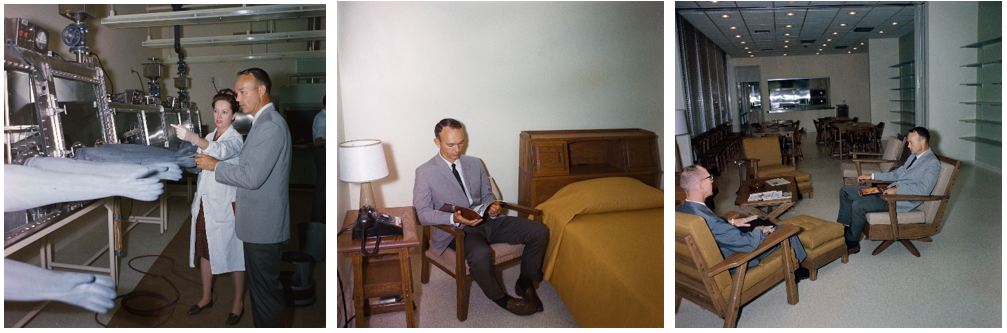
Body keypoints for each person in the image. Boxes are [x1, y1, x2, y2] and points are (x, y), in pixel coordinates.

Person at [412, 118, 548, 316]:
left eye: (461, 142)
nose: (457, 149)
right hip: (458, 231)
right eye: (450, 144)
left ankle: (525, 283)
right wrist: (455, 219)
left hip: (488, 222)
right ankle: (500, 298)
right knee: (480, 254)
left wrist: (492, 206)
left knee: (539, 231)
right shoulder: (425, 172)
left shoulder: (475, 163)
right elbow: (422, 213)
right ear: (437, 142)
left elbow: (487, 195)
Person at [194, 68, 291, 328]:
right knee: (262, 293)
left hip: (263, 227)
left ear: (262, 90)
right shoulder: (262, 123)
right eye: (237, 92)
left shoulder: (270, 126)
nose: (238, 97)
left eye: (243, 91)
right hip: (257, 223)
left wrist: (215, 166)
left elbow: (251, 178)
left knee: (265, 295)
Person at [172, 89, 246, 325]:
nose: (219, 116)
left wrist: (193, 138)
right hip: (205, 202)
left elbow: (220, 152)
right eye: (216, 111)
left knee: (235, 254)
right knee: (205, 250)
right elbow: (202, 158)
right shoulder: (210, 134)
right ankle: (206, 297)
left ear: (234, 115)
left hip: (226, 204)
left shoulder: (235, 139)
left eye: (225, 111)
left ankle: (238, 302)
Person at [675, 165, 810, 280]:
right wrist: (760, 231)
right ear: (699, 184)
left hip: (716, 249)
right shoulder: (711, 223)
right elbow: (748, 244)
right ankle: (798, 270)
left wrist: (732, 221)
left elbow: (709, 225)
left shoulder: (679, 210)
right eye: (709, 178)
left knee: (756, 220)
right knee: (787, 231)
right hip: (734, 259)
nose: (712, 180)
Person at [838, 127, 940, 254]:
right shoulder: (913, 157)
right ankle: (847, 229)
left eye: (911, 142)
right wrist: (872, 176)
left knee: (858, 205)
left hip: (897, 200)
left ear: (923, 142)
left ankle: (852, 243)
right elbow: (896, 175)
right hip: (885, 191)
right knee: (846, 191)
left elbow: (924, 190)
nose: (908, 146)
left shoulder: (932, 163)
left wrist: (898, 191)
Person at [310, 95, 325, 222]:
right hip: (323, 153)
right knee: (321, 188)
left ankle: (320, 216)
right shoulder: (323, 119)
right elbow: (319, 141)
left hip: (323, 153)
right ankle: (318, 219)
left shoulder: (322, 117)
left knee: (323, 188)